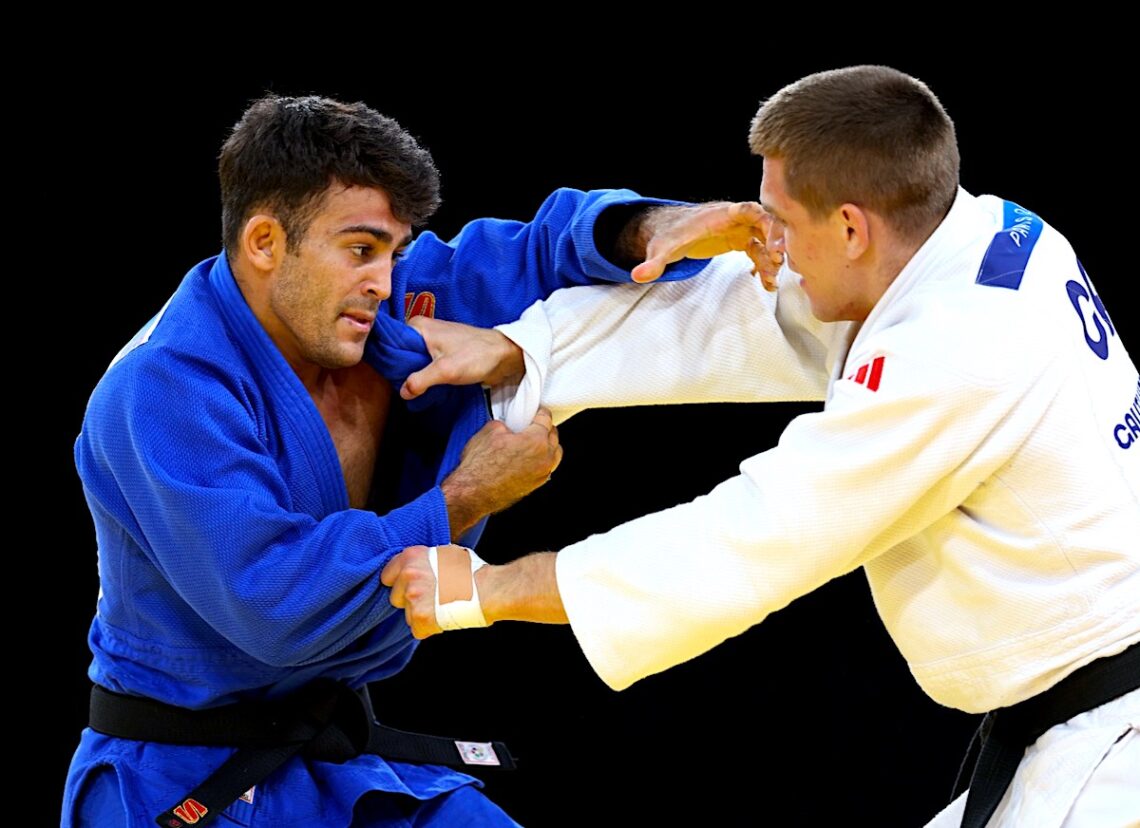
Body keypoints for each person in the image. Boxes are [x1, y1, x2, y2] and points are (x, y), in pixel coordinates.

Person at [381, 66, 1140, 827]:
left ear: (852, 229)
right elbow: (754, 309)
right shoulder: (978, 236)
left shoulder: (958, 352)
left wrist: (489, 590)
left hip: (1109, 747)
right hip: (1075, 722)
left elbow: (756, 536)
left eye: (781, 222)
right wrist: (525, 347)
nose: (768, 245)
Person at [62, 93, 767, 827]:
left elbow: (538, 251)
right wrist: (465, 496)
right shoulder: (166, 388)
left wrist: (651, 227)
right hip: (176, 777)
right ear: (265, 242)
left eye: (395, 252)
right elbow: (275, 604)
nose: (384, 279)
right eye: (360, 249)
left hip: (333, 757)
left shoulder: (391, 311)